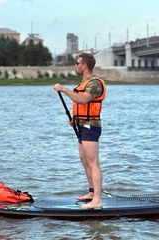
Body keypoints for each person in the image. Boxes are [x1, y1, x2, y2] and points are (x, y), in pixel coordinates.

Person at [53, 52, 106, 209]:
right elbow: (81, 104)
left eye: (77, 63)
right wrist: (75, 119)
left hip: (91, 126)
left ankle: (97, 200)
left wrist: (63, 89)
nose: (75, 66)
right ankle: (91, 193)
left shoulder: (94, 83)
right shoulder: (84, 83)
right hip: (81, 125)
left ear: (84, 66)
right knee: (84, 160)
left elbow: (83, 99)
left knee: (93, 162)